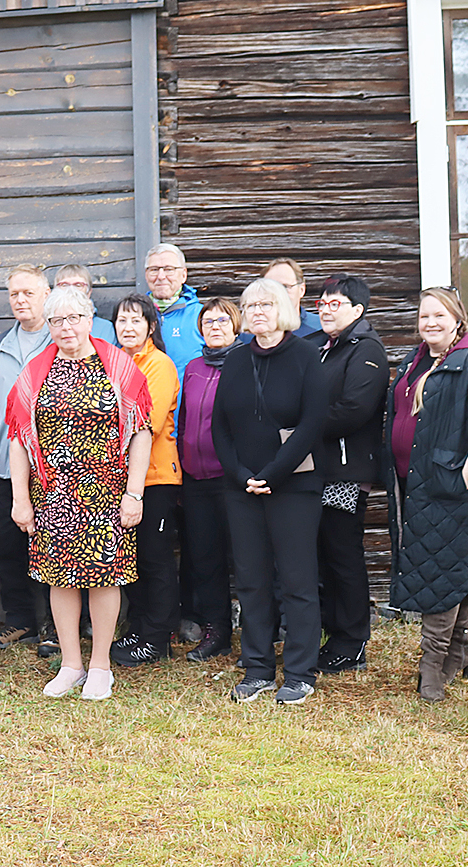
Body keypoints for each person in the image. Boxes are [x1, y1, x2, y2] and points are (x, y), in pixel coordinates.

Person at [7, 286, 152, 701]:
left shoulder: (120, 368)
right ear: (48, 326)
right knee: (60, 579)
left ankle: (101, 666)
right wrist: (21, 499)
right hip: (53, 494)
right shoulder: (35, 372)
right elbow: (18, 438)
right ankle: (71, 663)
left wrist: (135, 493)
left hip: (108, 493)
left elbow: (141, 432)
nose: (66, 327)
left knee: (105, 577)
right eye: (57, 321)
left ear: (90, 320)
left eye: (74, 319)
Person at [386, 286, 468, 704]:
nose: (430, 323)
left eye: (439, 315)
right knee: (440, 568)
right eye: (424, 317)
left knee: (447, 571)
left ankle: (432, 667)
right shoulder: (415, 362)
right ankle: (462, 650)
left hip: (452, 489)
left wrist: (463, 478)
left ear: (458, 319)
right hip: (416, 487)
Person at [213, 277, 328, 706]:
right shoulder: (237, 360)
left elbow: (313, 422)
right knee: (252, 580)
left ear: (282, 308)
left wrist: (274, 474)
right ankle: (258, 667)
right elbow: (219, 426)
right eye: (250, 305)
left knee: (297, 580)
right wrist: (240, 473)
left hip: (295, 485)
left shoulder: (305, 356)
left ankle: (299, 671)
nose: (257, 311)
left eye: (266, 303)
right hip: (242, 487)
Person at [312, 275, 389, 675]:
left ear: (358, 310)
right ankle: (332, 635)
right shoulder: (320, 348)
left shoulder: (366, 350)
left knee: (343, 555)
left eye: (335, 303)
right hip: (315, 471)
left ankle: (352, 642)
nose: (325, 308)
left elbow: (354, 408)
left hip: (344, 472)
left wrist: (299, 429)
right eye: (321, 303)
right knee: (323, 555)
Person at [0, 265, 55, 652]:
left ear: (46, 294)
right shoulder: (1, 346)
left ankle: (58, 628)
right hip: (11, 462)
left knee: (55, 546)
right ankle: (21, 620)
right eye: (14, 295)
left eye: (28, 293)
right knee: (7, 544)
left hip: (54, 467)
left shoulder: (59, 341)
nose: (20, 301)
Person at [107, 293, 181, 667]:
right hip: (119, 480)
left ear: (151, 326)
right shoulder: (112, 362)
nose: (128, 327)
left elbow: (144, 424)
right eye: (122, 320)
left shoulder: (159, 365)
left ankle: (157, 637)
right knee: (130, 560)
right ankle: (136, 629)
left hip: (155, 478)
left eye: (136, 320)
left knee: (155, 559)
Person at [177, 297, 242, 662]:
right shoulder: (193, 368)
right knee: (205, 559)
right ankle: (216, 631)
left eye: (222, 320)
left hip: (230, 479)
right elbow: (185, 419)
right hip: (196, 480)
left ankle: (256, 631)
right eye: (208, 321)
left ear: (235, 327)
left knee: (244, 558)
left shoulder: (245, 364)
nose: (214, 326)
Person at [143, 243, 202, 378]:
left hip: (187, 398)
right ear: (146, 275)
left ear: (183, 275)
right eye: (154, 270)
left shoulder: (201, 316)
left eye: (169, 269)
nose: (161, 276)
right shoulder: (137, 315)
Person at [53, 264, 117, 345]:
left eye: (78, 285)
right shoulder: (48, 326)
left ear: (89, 292)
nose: (72, 290)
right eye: (65, 285)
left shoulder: (105, 328)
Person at [264, 257, 324, 340]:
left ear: (301, 290)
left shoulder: (321, 328)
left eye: (285, 286)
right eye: (271, 288)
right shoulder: (250, 334)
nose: (278, 293)